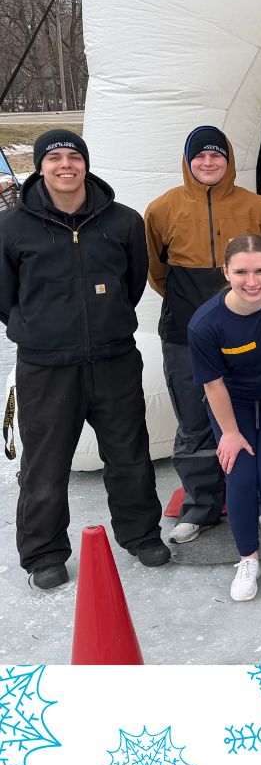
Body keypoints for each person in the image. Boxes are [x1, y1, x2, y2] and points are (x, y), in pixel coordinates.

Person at [0, 129, 170, 589]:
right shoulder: (12, 227)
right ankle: (44, 553)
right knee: (44, 464)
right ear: (40, 167)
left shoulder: (123, 221)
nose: (64, 165)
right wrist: (39, 328)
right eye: (53, 157)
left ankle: (141, 535)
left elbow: (133, 283)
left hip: (113, 358)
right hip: (46, 366)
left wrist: (107, 318)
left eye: (73, 156)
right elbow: (5, 295)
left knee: (130, 455)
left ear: (86, 164)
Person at [145, 125, 261, 544]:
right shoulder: (162, 208)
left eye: (216, 156)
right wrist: (192, 306)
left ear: (229, 159)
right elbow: (157, 271)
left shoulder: (259, 207)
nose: (208, 163)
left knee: (254, 414)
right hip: (184, 331)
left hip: (252, 328)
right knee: (194, 418)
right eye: (199, 157)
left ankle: (258, 499)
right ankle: (202, 504)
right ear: (187, 161)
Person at [187, 235, 261, 601]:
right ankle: (248, 558)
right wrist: (231, 434)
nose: (252, 281)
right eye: (241, 272)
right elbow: (213, 385)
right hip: (231, 401)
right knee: (240, 474)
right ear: (225, 271)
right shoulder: (205, 324)